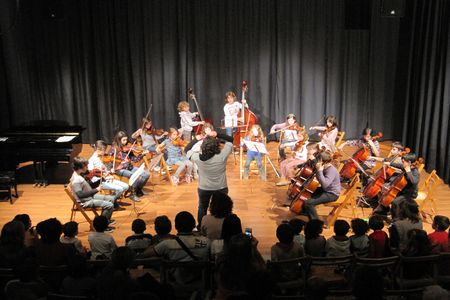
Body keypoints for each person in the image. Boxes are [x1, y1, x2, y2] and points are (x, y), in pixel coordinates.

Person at [141, 211, 209, 284]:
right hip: (199, 280)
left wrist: (157, 243)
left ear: (175, 226)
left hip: (176, 281)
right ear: (194, 225)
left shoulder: (166, 244)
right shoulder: (206, 242)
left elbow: (144, 254)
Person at [186, 130, 234, 225]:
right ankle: (222, 226)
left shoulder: (197, 158)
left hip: (204, 188)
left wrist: (197, 139)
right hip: (221, 187)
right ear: (217, 146)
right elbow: (230, 140)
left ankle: (201, 226)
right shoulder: (222, 156)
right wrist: (217, 134)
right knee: (222, 208)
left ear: (203, 146)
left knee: (202, 208)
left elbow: (186, 150)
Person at [373, 152, 421, 219]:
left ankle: (395, 218)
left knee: (395, 202)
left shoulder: (415, 172)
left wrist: (408, 171)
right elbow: (400, 166)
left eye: (403, 162)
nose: (402, 163)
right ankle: (385, 210)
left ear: (409, 162)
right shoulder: (406, 166)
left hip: (409, 194)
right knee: (384, 190)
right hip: (402, 190)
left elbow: (414, 182)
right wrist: (390, 163)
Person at [70, 156, 115, 223]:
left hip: (88, 197)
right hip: (85, 201)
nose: (87, 167)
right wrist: (96, 190)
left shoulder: (79, 175)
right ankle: (102, 224)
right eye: (86, 166)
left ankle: (104, 220)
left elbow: (89, 187)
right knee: (109, 205)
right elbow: (80, 194)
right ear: (80, 167)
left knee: (111, 198)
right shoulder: (76, 179)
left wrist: (102, 179)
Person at [110, 131, 151, 201]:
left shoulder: (128, 147)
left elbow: (134, 159)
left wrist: (142, 154)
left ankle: (138, 189)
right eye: (123, 140)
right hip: (119, 169)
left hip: (128, 167)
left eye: (126, 139)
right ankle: (132, 194)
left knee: (146, 174)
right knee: (134, 175)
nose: (126, 142)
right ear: (118, 140)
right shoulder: (114, 149)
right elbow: (111, 162)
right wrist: (121, 162)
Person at [303, 150, 341, 220]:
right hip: (325, 190)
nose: (317, 162)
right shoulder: (324, 166)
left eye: (318, 160)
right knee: (306, 193)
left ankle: (316, 223)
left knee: (308, 203)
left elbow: (325, 185)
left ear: (324, 162)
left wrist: (320, 171)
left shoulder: (331, 170)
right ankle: (306, 211)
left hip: (332, 194)